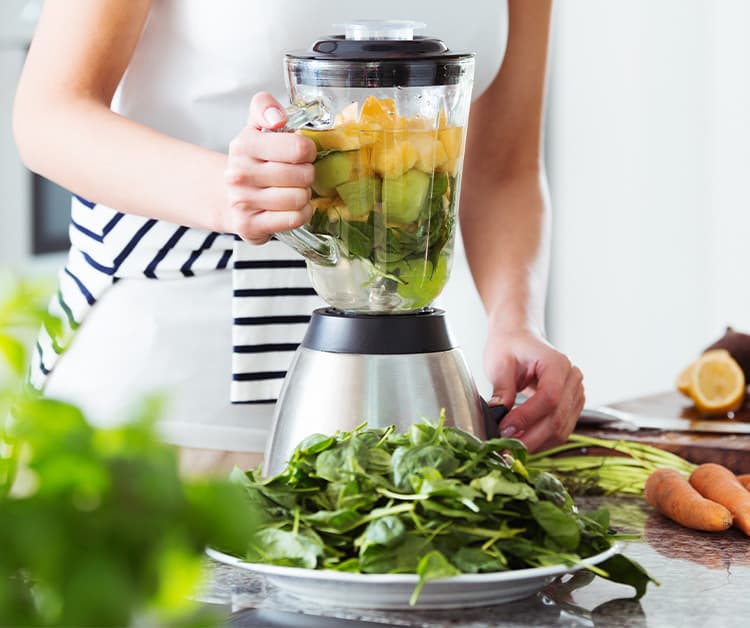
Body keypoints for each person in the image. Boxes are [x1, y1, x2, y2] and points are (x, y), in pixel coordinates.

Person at [12, 0, 584, 475]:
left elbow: (502, 165)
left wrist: (517, 322)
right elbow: (48, 115)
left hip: (393, 418)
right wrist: (227, 188)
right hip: (165, 410)